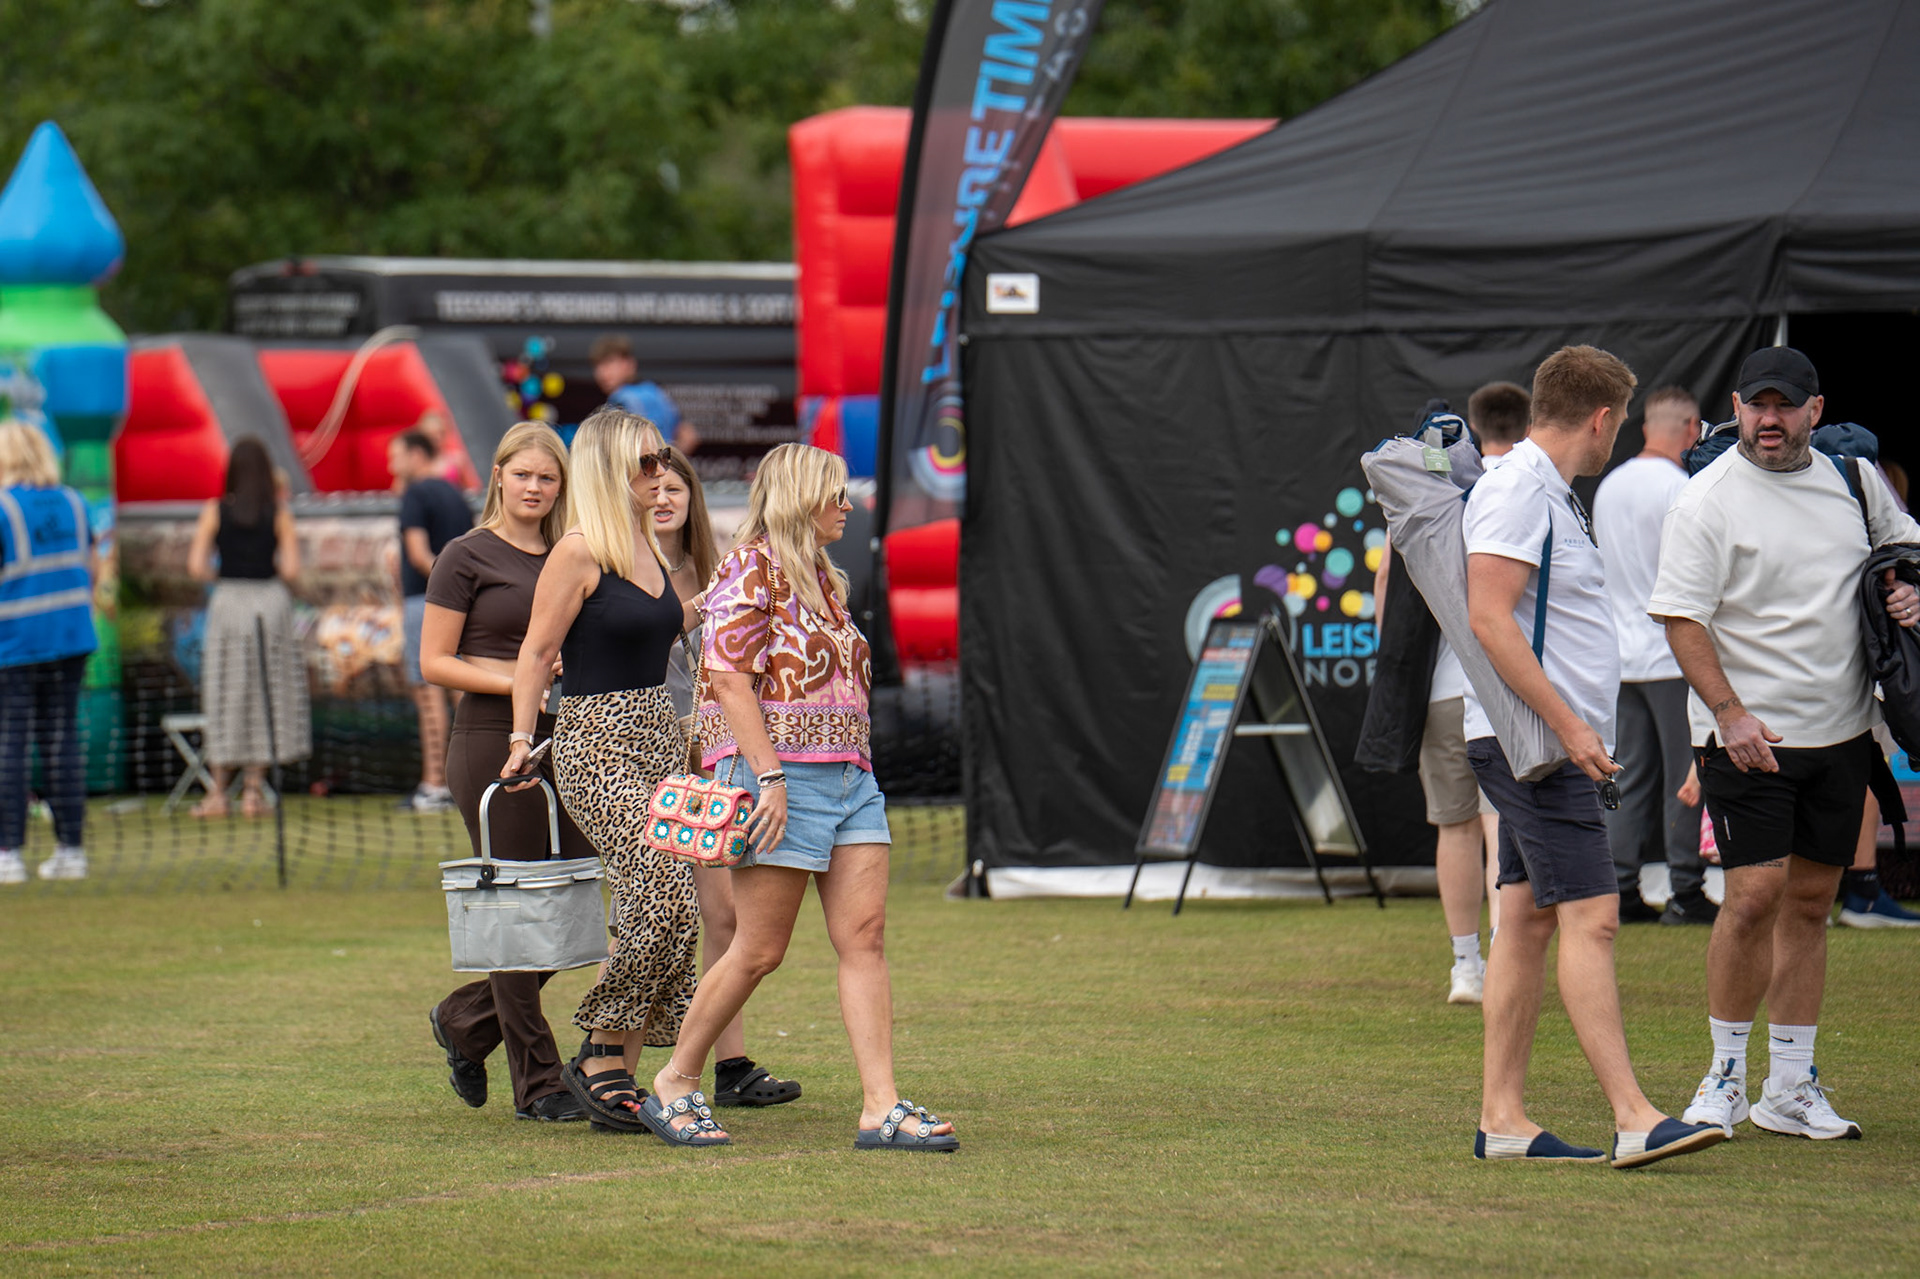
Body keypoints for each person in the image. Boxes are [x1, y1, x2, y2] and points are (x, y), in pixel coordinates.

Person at [643, 442, 958, 1152]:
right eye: (834, 493)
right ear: (799, 498)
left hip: (851, 778)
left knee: (865, 937)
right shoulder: (749, 566)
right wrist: (771, 778)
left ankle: (880, 1106)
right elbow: (728, 678)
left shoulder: (820, 574)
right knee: (759, 948)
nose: (847, 505)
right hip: (779, 778)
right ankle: (675, 1080)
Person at [1650, 346, 1920, 1140]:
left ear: (1815, 409)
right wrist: (1729, 712)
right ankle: (1725, 1075)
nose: (1770, 420)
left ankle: (1791, 1086)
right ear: (1736, 407)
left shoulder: (1854, 479)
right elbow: (1682, 619)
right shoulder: (1704, 499)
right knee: (1752, 899)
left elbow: (1905, 550)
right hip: (1746, 736)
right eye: (1756, 405)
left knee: (1808, 902)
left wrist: (1906, 588)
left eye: (1786, 405)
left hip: (1842, 730)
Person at [1465, 345, 1721, 1168]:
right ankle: (1634, 1114)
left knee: (1526, 917)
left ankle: (1503, 1118)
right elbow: (1488, 616)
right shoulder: (1519, 488)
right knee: (1595, 914)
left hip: (1541, 740)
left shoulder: (1550, 491)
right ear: (1604, 419)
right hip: (1543, 746)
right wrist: (1571, 729)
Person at [503, 407, 704, 1136]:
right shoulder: (578, 551)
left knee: (678, 903)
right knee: (657, 884)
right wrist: (521, 738)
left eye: (662, 458)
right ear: (610, 466)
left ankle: (613, 1054)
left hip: (658, 735)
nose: (661, 472)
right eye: (647, 461)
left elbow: (668, 627)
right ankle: (597, 1051)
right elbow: (536, 652)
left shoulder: (647, 548)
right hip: (597, 740)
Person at [420, 422, 595, 1123]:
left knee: (575, 900)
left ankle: (464, 1019)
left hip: (572, 738)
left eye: (547, 477)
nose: (534, 487)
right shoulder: (465, 555)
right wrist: (521, 680)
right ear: (497, 476)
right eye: (522, 474)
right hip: (494, 739)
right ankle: (541, 1083)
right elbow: (434, 661)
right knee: (521, 907)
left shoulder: (576, 551)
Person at [1373, 381, 1529, 1004]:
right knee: (1497, 825)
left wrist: (1397, 668)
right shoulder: (1519, 488)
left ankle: (1468, 965)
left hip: (1442, 684)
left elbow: (1387, 584)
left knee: (1456, 826)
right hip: (1498, 680)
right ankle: (1499, 956)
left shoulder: (1424, 490)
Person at [654, 446, 801, 1106]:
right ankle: (603, 1061)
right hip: (644, 750)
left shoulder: (719, 565)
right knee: (648, 913)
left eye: (675, 488)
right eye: (652, 487)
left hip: (712, 756)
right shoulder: (619, 565)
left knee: (727, 915)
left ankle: (730, 1063)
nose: (663, 498)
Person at [1593, 386, 1714, 926]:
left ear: (1645, 428)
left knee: (1630, 776)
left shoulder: (1609, 486)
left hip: (1622, 655)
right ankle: (1685, 890)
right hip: (1671, 654)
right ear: (1690, 429)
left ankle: (1621, 887)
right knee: (1686, 775)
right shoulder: (1681, 487)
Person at [187, 435, 311, 819]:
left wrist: (222, 576)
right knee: (266, 692)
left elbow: (196, 566)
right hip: (269, 603)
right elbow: (292, 568)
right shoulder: (279, 514)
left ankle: (217, 793)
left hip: (229, 603)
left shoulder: (214, 511)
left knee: (225, 690)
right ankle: (254, 792)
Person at [0, 419, 98, 883]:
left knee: (10, 745)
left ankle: (8, 853)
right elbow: (93, 566)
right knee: (62, 740)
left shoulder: (4, 507)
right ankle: (71, 850)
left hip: (15, 642)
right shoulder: (75, 503)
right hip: (71, 637)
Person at [390, 429, 473, 813]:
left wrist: (443, 588)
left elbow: (419, 555)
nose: (391, 464)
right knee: (462, 693)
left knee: (428, 696)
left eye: (396, 456)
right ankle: (469, 780)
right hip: (462, 606)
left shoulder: (415, 494)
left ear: (417, 455)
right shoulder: (456, 494)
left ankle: (434, 785)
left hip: (425, 603)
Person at [591, 334, 696, 455]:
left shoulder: (619, 398)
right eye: (598, 366)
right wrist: (665, 461)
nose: (602, 373)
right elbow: (689, 437)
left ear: (629, 364)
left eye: (609, 363)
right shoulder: (656, 392)